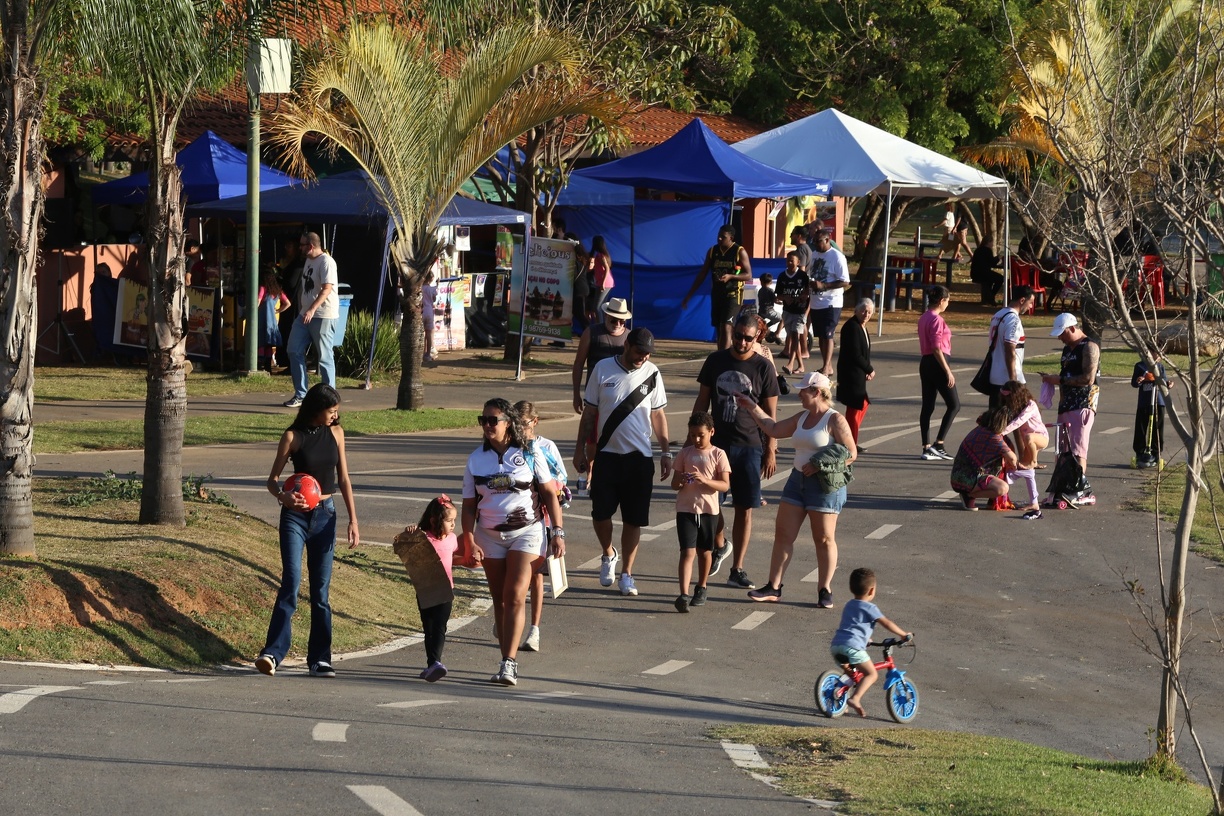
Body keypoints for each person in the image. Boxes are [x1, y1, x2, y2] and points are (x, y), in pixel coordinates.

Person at [255, 383, 360, 678]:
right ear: (316, 410)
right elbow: (272, 480)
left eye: (337, 410)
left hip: (326, 516)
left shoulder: (337, 433)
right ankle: (272, 654)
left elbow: (344, 479)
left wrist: (353, 519)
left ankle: (320, 658)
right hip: (295, 518)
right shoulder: (293, 436)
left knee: (321, 592)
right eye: (331, 410)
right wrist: (282, 496)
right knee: (291, 582)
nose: (335, 415)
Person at [461, 399, 566, 686]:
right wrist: (469, 538)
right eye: (482, 419)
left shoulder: (530, 453)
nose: (486, 425)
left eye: (493, 420)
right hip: (489, 535)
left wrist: (557, 531)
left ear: (508, 423)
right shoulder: (475, 460)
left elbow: (548, 494)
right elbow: (469, 505)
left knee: (515, 595)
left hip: (527, 533)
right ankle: (505, 656)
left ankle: (509, 664)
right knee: (500, 600)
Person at [737, 372, 857, 608]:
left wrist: (819, 463)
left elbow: (850, 453)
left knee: (823, 538)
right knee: (783, 535)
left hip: (824, 485)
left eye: (804, 390)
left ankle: (825, 589)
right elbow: (772, 428)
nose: (800, 394)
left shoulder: (834, 420)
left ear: (817, 392)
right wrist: (752, 406)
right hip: (797, 480)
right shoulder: (802, 417)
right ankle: (773, 587)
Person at [574, 327, 672, 597]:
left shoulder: (653, 373)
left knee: (634, 520)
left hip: (639, 460)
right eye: (640, 351)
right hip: (606, 456)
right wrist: (580, 449)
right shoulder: (602, 369)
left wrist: (665, 452)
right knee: (600, 514)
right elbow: (590, 413)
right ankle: (608, 554)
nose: (644, 356)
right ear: (627, 345)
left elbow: (659, 415)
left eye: (648, 352)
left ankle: (627, 573)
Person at [693, 312, 779, 590]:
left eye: (748, 338)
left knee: (745, 508)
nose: (741, 341)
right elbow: (702, 402)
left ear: (757, 338)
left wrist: (771, 450)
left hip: (749, 446)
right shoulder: (716, 361)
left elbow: (771, 413)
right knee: (709, 502)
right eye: (738, 335)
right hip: (716, 445)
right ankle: (720, 543)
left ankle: (737, 568)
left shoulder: (764, 367)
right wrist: (691, 439)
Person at [515, 400, 568, 652]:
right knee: (509, 574)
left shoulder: (546, 446)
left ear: (534, 422)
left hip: (541, 519)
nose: (520, 429)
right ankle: (506, 613)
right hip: (512, 520)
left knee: (536, 574)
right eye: (515, 423)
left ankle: (534, 629)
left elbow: (560, 480)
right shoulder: (507, 445)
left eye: (524, 424)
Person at [392, 495, 461, 682]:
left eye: (454, 520)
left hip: (446, 591)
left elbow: (458, 558)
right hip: (425, 590)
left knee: (439, 628)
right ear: (434, 520)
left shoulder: (453, 539)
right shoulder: (423, 539)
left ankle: (436, 663)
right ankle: (432, 664)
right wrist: (410, 532)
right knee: (428, 628)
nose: (453, 524)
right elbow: (400, 544)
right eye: (449, 521)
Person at [830, 568, 912, 718]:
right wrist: (903, 634)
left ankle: (840, 699)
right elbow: (886, 623)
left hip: (836, 645)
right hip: (853, 647)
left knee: (851, 673)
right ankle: (855, 698)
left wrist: (865, 639)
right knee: (871, 674)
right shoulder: (870, 607)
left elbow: (852, 625)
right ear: (872, 590)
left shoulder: (849, 605)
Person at [670, 412, 730, 612]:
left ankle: (702, 586)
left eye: (700, 435)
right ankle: (683, 594)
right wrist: (681, 481)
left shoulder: (718, 454)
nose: (696, 439)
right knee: (687, 552)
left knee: (705, 552)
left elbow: (724, 485)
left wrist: (705, 480)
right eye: (692, 435)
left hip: (708, 511)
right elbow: (674, 483)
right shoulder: (684, 454)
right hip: (686, 510)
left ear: (711, 432)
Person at [1042, 313, 1101, 492]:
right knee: (1062, 450)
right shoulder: (1068, 349)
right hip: (1066, 403)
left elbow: (1088, 379)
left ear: (1073, 328)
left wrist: (1058, 380)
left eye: (1063, 333)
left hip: (1083, 403)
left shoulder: (1089, 346)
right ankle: (1064, 485)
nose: (1060, 338)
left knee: (1078, 449)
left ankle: (1078, 487)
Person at [285, 232, 340, 408]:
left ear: (310, 246)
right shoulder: (309, 260)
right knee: (293, 350)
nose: (299, 248)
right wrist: (304, 308)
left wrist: (312, 309)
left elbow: (327, 289)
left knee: (324, 356)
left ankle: (329, 399)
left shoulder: (326, 262)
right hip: (305, 315)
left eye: (301, 245)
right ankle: (300, 394)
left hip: (323, 315)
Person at [682, 225, 752, 351]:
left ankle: (725, 358)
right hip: (717, 292)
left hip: (733, 293)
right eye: (718, 236)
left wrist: (731, 276)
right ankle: (722, 355)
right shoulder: (713, 251)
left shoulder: (739, 251)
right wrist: (689, 295)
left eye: (723, 237)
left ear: (731, 238)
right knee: (719, 327)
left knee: (726, 326)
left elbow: (748, 275)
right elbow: (703, 273)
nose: (719, 239)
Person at [917, 285, 959, 461]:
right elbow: (936, 347)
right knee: (954, 404)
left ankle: (926, 446)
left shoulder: (924, 317)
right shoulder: (936, 320)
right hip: (937, 362)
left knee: (928, 405)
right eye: (947, 301)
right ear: (942, 301)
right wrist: (947, 370)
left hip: (925, 363)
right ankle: (938, 443)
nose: (948, 304)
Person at [949, 406, 1018, 511]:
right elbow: (1012, 459)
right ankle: (969, 495)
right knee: (1002, 488)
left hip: (962, 474)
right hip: (966, 479)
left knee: (999, 463)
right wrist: (1016, 466)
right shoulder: (992, 436)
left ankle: (972, 494)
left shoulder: (982, 429)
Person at [999, 381, 1048, 520]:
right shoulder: (1017, 407)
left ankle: (1034, 460)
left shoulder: (1030, 406)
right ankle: (1034, 503)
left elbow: (1019, 421)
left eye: (1009, 398)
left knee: (1028, 438)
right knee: (1027, 472)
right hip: (1030, 443)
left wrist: (1002, 432)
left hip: (1041, 438)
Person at [807, 229, 851, 377]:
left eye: (818, 241)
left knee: (828, 334)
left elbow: (845, 281)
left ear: (827, 240)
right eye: (814, 241)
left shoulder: (837, 257)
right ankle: (828, 366)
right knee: (821, 335)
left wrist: (824, 286)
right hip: (816, 301)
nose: (815, 244)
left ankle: (826, 366)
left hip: (831, 302)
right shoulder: (814, 254)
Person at [986, 286, 1034, 407]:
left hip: (994, 376)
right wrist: (1013, 380)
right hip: (1007, 378)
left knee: (995, 419)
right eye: (1031, 302)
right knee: (1015, 419)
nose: (1031, 307)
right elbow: (1010, 349)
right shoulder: (1013, 320)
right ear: (1022, 300)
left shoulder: (998, 314)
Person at [836, 299, 875, 446]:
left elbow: (864, 353)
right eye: (864, 311)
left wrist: (866, 369)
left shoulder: (861, 326)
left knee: (861, 404)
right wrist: (869, 368)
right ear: (856, 310)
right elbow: (855, 353)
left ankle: (850, 440)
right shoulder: (852, 327)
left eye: (870, 312)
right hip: (850, 374)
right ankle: (849, 443)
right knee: (854, 408)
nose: (866, 314)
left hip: (858, 373)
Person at [1131, 350, 1172, 468]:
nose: (1159, 355)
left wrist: (1168, 384)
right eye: (1156, 352)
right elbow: (1134, 383)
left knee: (1157, 428)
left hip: (1158, 401)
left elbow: (1164, 382)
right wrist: (1140, 380)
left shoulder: (1160, 367)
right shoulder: (1140, 365)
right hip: (1144, 402)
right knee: (1141, 427)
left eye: (1161, 353)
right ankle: (1140, 452)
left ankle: (1156, 453)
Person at [777, 251, 810, 375]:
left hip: (800, 310)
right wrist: (785, 298)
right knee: (791, 335)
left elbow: (808, 292)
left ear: (798, 262)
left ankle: (790, 364)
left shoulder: (803, 276)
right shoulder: (782, 276)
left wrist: (803, 298)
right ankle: (801, 365)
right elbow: (778, 295)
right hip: (787, 311)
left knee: (795, 335)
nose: (790, 263)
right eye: (788, 260)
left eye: (792, 260)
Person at [258, 269, 291, 372]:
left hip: (262, 320)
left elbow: (257, 302)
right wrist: (278, 311)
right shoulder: (277, 291)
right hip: (272, 321)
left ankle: (260, 364)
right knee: (269, 344)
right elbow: (288, 303)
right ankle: (268, 367)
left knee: (260, 343)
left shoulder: (262, 289)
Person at [969, 238, 1005, 306]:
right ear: (988, 242)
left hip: (976, 273)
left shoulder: (978, 250)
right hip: (983, 273)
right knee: (1000, 279)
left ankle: (987, 298)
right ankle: (991, 296)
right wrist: (998, 258)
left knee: (990, 281)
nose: (992, 244)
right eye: (992, 242)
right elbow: (992, 263)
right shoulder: (987, 250)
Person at [587, 235, 614, 318]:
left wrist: (603, 283)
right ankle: (602, 324)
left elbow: (606, 268)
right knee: (601, 307)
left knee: (597, 307)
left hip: (604, 283)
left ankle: (601, 326)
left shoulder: (600, 255)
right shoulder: (603, 255)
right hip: (603, 282)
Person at [422, 267, 437, 362]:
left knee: (421, 334)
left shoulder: (420, 288)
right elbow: (434, 299)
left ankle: (421, 353)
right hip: (429, 311)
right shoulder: (432, 289)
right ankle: (427, 355)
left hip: (421, 311)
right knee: (429, 333)